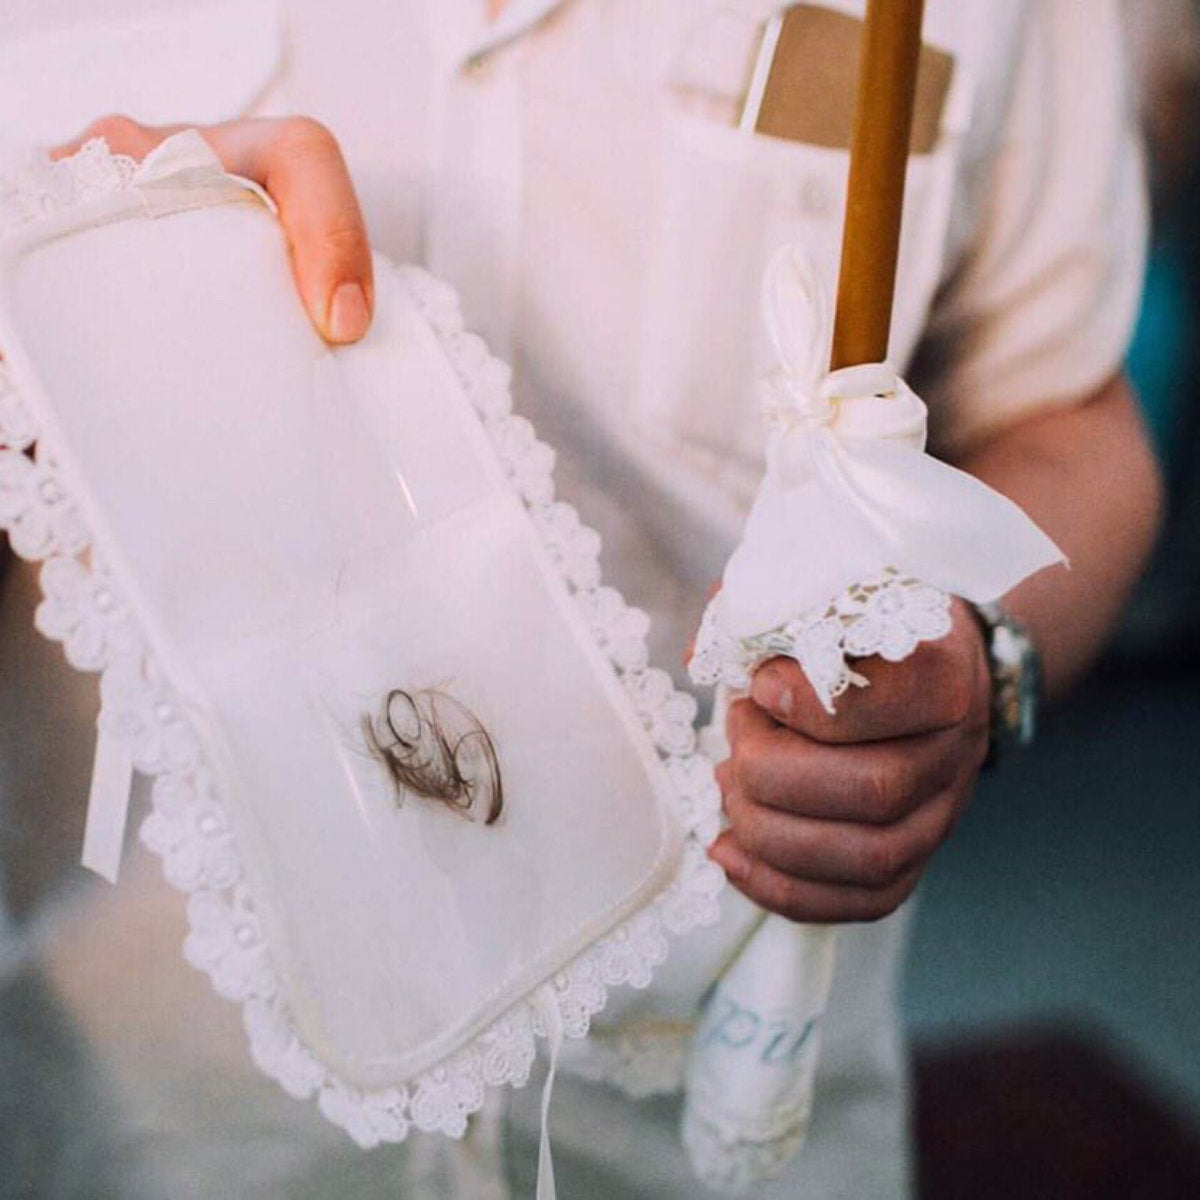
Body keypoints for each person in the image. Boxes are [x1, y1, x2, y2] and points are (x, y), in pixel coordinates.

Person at [0, 2, 1163, 1197]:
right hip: (153, 1123)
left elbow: (1064, 410)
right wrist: (72, 305)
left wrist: (983, 653)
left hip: (721, 1109)